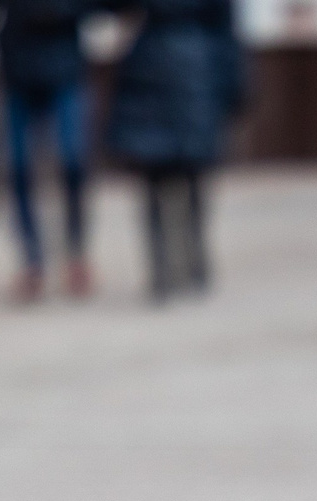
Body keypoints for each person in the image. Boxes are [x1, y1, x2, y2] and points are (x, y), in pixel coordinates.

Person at [105, 0, 243, 302]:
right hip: (173, 68)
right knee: (162, 171)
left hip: (183, 67)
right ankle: (171, 261)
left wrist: (235, 83)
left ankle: (178, 258)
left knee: (185, 171)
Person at [0, 0, 92, 301]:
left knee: (73, 162)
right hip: (16, 74)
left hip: (65, 71)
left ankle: (75, 252)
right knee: (18, 168)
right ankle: (32, 260)